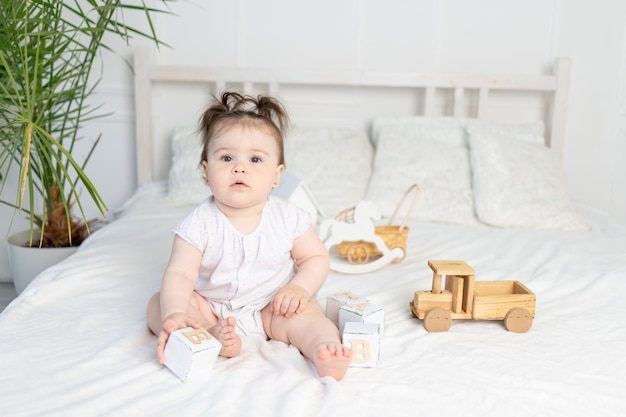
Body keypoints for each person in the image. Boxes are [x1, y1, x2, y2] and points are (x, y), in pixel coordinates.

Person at [146, 92, 352, 380]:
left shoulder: (288, 217)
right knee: (160, 304)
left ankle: (324, 347)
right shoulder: (197, 223)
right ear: (206, 172)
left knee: (308, 315)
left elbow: (316, 257)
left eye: (255, 159)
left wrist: (300, 289)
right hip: (213, 308)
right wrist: (176, 312)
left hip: (273, 303)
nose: (239, 167)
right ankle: (209, 334)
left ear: (277, 176)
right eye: (226, 157)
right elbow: (180, 274)